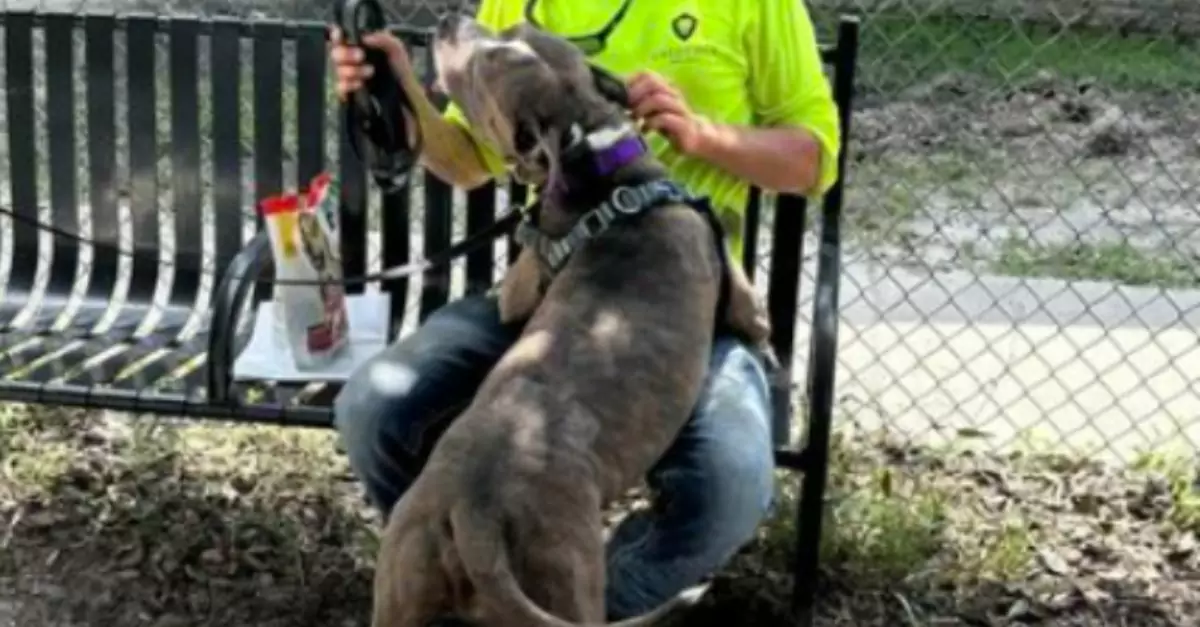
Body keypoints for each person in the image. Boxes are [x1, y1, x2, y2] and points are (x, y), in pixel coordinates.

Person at [329, 0, 840, 619]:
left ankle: (582, 598)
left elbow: (811, 158)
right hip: (547, 295)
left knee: (728, 486)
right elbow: (470, 159)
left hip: (681, 312)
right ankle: (451, 576)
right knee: (373, 408)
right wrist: (401, 91)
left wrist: (702, 134)